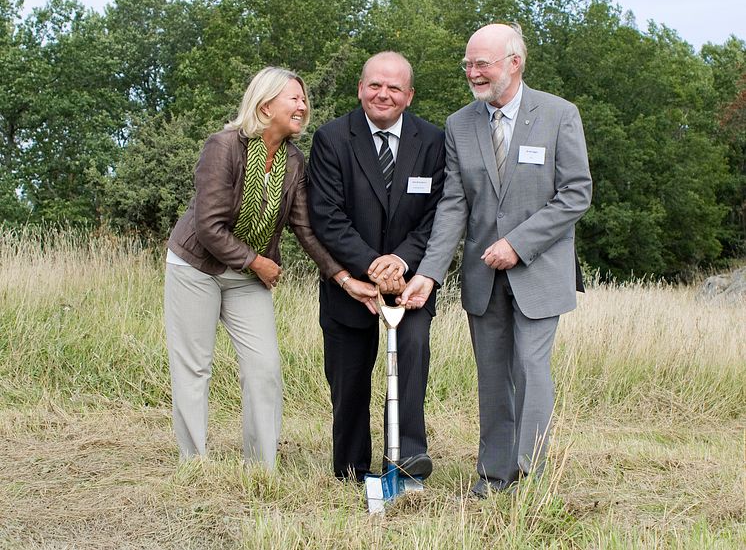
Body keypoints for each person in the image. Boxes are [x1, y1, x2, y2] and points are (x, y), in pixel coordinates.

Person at [400, 24, 592, 496]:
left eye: (482, 63)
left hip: (540, 271)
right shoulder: (459, 123)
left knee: (530, 368)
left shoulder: (559, 115)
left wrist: (518, 244)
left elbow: (576, 194)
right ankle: (494, 478)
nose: (473, 72)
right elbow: (453, 204)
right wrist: (429, 273)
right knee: (491, 379)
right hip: (483, 278)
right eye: (468, 64)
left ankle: (530, 477)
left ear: (514, 63)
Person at [164, 66, 363, 468]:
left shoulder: (293, 160)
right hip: (196, 267)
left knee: (265, 366)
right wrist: (258, 261)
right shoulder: (223, 146)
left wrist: (343, 277)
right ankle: (194, 463)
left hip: (247, 275)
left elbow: (306, 229)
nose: (303, 106)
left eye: (304, 100)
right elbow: (208, 227)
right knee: (194, 367)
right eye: (295, 98)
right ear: (266, 103)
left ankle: (261, 465)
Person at [307, 52, 446, 482]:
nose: (382, 94)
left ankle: (406, 461)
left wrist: (401, 261)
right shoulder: (331, 139)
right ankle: (351, 469)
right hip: (350, 287)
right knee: (348, 382)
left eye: (394, 88)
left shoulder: (435, 141)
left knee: (409, 364)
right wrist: (371, 265)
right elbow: (326, 215)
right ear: (360, 88)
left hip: (411, 287)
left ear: (409, 96)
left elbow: (438, 215)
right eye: (374, 85)